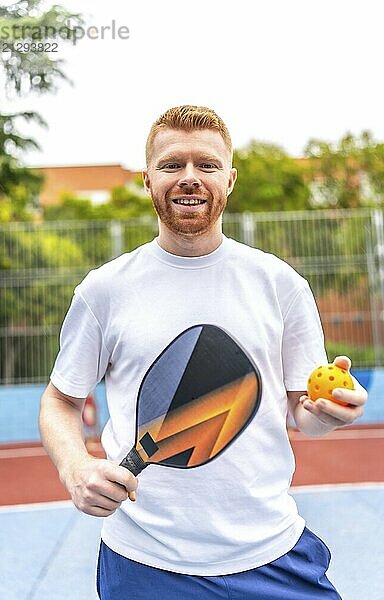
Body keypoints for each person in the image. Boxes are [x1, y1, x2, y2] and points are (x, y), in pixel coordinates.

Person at [39, 105, 367, 599]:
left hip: (271, 554)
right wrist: (76, 468)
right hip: (144, 563)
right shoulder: (104, 290)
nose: (189, 177)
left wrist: (330, 413)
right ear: (147, 179)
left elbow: (306, 415)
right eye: (172, 165)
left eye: (206, 165)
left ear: (229, 179)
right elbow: (60, 400)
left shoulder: (281, 286)